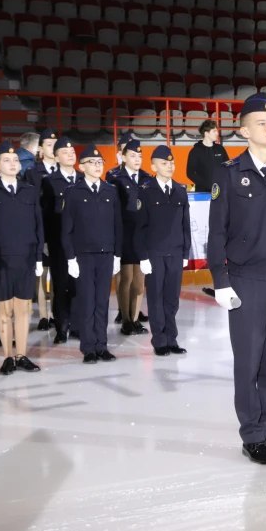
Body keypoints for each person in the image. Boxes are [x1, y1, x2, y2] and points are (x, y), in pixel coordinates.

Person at [207, 92, 266, 465]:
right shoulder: (229, 174)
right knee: (248, 360)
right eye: (262, 123)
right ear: (244, 131)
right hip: (245, 281)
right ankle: (252, 434)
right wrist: (221, 280)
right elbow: (216, 233)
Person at [0, 143, 44, 375]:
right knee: (4, 310)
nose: (12, 163)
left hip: (26, 257)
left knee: (23, 309)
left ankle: (22, 354)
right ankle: (7, 356)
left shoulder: (29, 190)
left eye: (15, 160)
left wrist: (38, 258)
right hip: (1, 258)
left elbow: (38, 225)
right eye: (6, 160)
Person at [62, 144, 122, 364]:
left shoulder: (110, 191)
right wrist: (70, 258)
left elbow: (118, 225)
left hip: (106, 254)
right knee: (87, 302)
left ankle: (101, 345)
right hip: (84, 256)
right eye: (92, 163)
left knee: (102, 302)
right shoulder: (73, 193)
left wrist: (117, 254)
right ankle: (88, 347)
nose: (97, 166)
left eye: (100, 163)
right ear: (81, 166)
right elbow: (66, 229)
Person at [136, 145, 191, 355]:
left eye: (171, 163)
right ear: (153, 166)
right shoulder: (146, 191)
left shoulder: (180, 190)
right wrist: (143, 256)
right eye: (164, 163)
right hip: (155, 253)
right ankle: (159, 341)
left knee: (172, 299)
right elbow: (140, 228)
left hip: (176, 252)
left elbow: (185, 225)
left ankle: (172, 339)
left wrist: (186, 253)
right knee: (156, 298)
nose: (169, 166)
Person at [107, 138, 151, 336]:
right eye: (132, 155)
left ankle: (134, 319)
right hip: (124, 234)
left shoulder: (147, 178)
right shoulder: (115, 177)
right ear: (123, 157)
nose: (137, 159)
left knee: (139, 282)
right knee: (126, 278)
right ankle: (125, 319)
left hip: (141, 235)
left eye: (139, 156)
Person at [41, 137, 79, 344]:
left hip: (80, 243)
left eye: (72, 151)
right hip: (58, 243)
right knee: (61, 285)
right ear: (56, 157)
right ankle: (61, 326)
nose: (70, 154)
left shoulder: (83, 179)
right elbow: (45, 214)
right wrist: (46, 242)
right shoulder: (50, 181)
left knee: (79, 285)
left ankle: (78, 324)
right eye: (65, 152)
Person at [26, 129, 57, 331]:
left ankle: (55, 312)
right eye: (48, 145)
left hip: (59, 227)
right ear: (40, 148)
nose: (52, 148)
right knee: (41, 272)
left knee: (57, 273)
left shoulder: (64, 170)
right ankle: (44, 315)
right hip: (41, 227)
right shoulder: (32, 172)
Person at [186, 119, 229, 193]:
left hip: (220, 190)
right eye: (214, 131)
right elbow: (190, 173)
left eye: (217, 131)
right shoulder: (195, 151)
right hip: (202, 192)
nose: (217, 133)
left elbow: (227, 167)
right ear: (206, 133)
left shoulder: (220, 149)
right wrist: (206, 184)